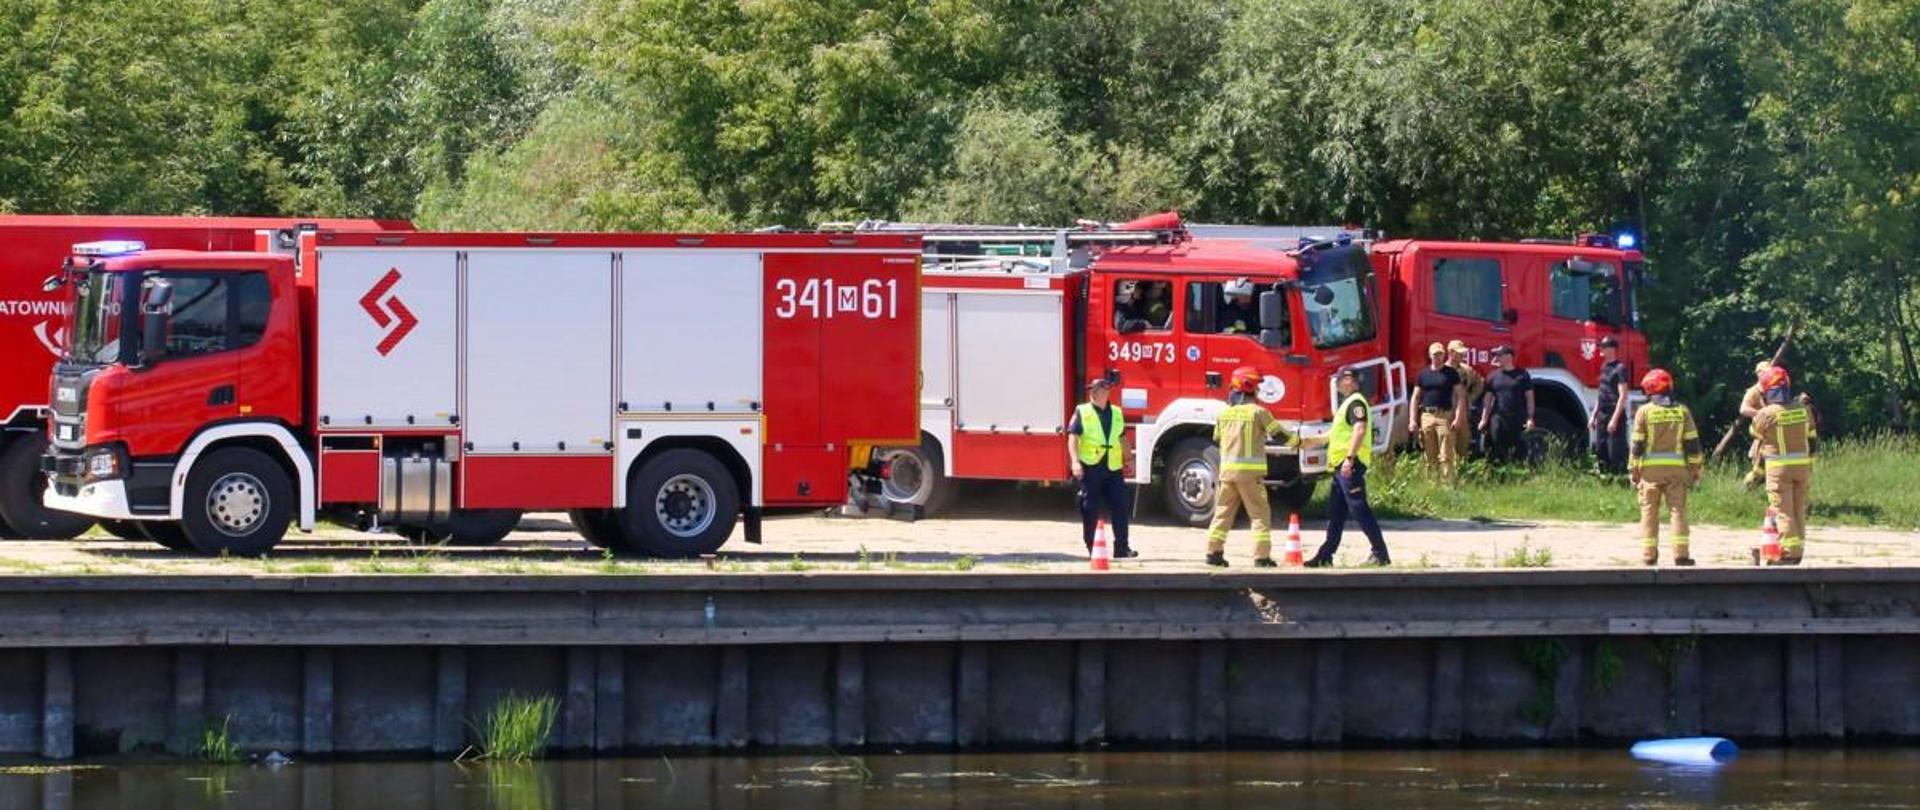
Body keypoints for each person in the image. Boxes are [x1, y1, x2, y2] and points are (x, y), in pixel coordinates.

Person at [1205, 366, 1298, 567]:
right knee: (1259, 514)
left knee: (1222, 513)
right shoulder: (1259, 412)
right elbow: (1281, 436)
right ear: (1251, 389)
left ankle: (1213, 553)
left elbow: (1217, 438)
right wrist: (1299, 443)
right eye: (1257, 388)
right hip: (1249, 476)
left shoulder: (1224, 413)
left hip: (1227, 474)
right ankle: (1261, 557)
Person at [1307, 367, 1390, 567]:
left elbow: (1359, 430)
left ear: (1351, 381)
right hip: (1340, 467)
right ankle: (1326, 555)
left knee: (1359, 508)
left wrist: (1349, 458)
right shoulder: (1347, 404)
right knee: (1336, 513)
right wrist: (1309, 441)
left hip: (1349, 465)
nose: (1336, 382)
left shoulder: (1355, 403)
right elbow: (1336, 435)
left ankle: (1380, 554)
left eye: (1340, 379)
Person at [1628, 368, 1702, 566]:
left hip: (1650, 473)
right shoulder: (1682, 411)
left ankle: (1648, 556)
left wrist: (1633, 470)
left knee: (1649, 512)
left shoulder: (1644, 412)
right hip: (1677, 472)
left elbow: (1637, 445)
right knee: (1678, 511)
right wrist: (1695, 469)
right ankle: (1681, 554)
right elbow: (1692, 444)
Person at [1751, 365, 1816, 565]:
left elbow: (1755, 432)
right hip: (1802, 466)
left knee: (1783, 510)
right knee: (1798, 510)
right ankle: (1798, 550)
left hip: (1778, 467)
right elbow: (1812, 436)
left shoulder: (1767, 413)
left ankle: (1789, 553)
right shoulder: (1802, 409)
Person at [1069, 378, 1138, 560]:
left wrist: (1129, 459)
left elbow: (1122, 437)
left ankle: (1122, 548)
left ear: (1106, 391)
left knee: (1121, 505)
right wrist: (1075, 462)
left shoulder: (1116, 412)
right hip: (1091, 466)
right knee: (1089, 507)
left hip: (1112, 467)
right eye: (1091, 389)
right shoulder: (1082, 411)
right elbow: (1073, 438)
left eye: (1096, 389)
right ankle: (1092, 547)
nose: (1092, 392)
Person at [1409, 342, 1465, 482]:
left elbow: (1460, 396)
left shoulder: (1451, 373)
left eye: (1440, 354)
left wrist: (1458, 418)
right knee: (1429, 454)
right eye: (1435, 354)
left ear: (1444, 355)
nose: (1438, 357)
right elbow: (1415, 398)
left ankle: (1447, 485)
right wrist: (1412, 420)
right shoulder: (1423, 374)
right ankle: (1432, 484)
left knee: (1446, 454)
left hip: (1444, 416)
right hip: (1427, 416)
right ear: (1430, 356)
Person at [1478, 346, 1535, 465]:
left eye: (1499, 355)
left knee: (1517, 448)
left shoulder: (1523, 375)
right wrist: (1484, 420)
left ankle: (1517, 476)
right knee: (1497, 447)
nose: (1496, 358)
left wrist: (1530, 418)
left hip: (1517, 417)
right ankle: (1499, 477)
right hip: (1498, 417)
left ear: (1509, 357)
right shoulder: (1492, 376)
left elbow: (1529, 398)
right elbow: (1487, 401)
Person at [1590, 336, 1631, 475]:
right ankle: (1604, 477)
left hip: (1615, 412)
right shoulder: (1604, 367)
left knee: (1615, 449)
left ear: (1612, 349)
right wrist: (1593, 415)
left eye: (1603, 346)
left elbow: (1623, 395)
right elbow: (1601, 394)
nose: (1600, 349)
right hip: (1602, 412)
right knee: (1601, 448)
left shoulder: (1620, 368)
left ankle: (1619, 478)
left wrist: (1614, 419)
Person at [1738, 360, 1773, 489]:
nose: (1767, 375)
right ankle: (1744, 492)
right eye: (1763, 372)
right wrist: (1762, 414)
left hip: (1777, 436)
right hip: (1762, 437)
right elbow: (1743, 409)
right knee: (1759, 472)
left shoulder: (1774, 388)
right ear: (1758, 374)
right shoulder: (1753, 391)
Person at [1448, 339, 1484, 458]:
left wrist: (1470, 397)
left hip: (1463, 412)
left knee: (1463, 444)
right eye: (1458, 353)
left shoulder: (1466, 370)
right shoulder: (1441, 370)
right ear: (1450, 352)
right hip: (1445, 412)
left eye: (1462, 353)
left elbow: (1480, 383)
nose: (1461, 355)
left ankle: (1462, 469)